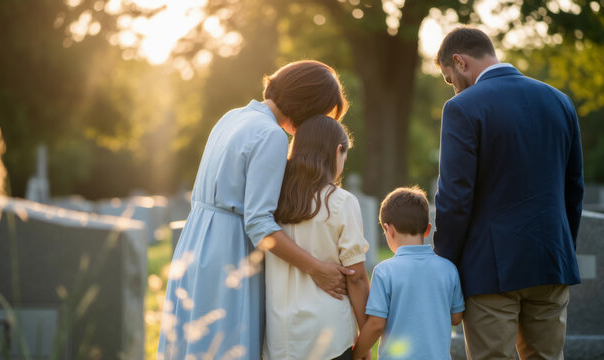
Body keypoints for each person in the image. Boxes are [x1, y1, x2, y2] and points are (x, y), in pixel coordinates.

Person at [157, 60, 355, 360]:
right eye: (319, 114)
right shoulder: (271, 135)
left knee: (197, 346)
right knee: (226, 347)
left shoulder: (232, 117)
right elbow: (260, 223)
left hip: (196, 242)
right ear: (307, 105)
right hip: (230, 250)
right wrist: (317, 269)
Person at [433, 27, 584, 359]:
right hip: (551, 262)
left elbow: (455, 198)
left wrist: (445, 266)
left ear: (459, 61)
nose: (453, 87)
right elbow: (573, 189)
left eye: (449, 78)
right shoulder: (560, 101)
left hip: (489, 271)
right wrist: (561, 251)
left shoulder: (462, 107)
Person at [263, 115, 370, 360]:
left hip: (279, 339)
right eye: (344, 156)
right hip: (330, 336)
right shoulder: (341, 202)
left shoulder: (272, 201)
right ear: (337, 151)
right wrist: (365, 337)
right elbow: (356, 278)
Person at [353, 186, 464, 360]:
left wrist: (356, 354)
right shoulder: (448, 268)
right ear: (427, 229)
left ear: (389, 230)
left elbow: (376, 324)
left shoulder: (384, 272)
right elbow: (456, 317)